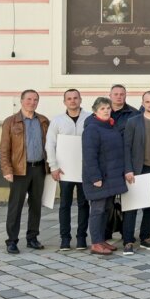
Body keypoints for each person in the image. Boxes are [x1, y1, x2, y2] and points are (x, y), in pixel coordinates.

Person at [0, 90, 50, 254]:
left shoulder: (43, 121)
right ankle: (12, 241)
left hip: (39, 168)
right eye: (29, 99)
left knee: (36, 205)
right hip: (19, 170)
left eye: (35, 99)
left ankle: (32, 238)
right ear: (21, 101)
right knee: (16, 206)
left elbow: (50, 145)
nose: (32, 102)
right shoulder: (11, 121)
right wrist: (7, 169)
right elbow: (4, 148)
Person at [81, 97, 127, 256]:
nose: (106, 111)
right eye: (102, 109)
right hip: (99, 178)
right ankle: (95, 243)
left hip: (112, 176)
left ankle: (101, 240)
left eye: (108, 108)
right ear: (95, 111)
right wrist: (95, 177)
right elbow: (89, 156)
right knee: (98, 210)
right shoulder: (92, 129)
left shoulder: (110, 126)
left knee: (107, 209)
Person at [46, 89, 91, 252]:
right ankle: (65, 239)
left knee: (84, 204)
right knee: (64, 205)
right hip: (64, 170)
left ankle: (81, 238)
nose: (72, 101)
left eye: (75, 98)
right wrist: (53, 166)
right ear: (64, 101)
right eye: (69, 99)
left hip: (84, 170)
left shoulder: (89, 118)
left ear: (81, 99)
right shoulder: (57, 121)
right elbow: (50, 144)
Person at [121, 91, 150, 254]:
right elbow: (126, 146)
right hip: (137, 170)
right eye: (148, 101)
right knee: (132, 206)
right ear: (143, 103)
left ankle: (145, 237)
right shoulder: (133, 122)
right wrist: (128, 169)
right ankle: (127, 240)